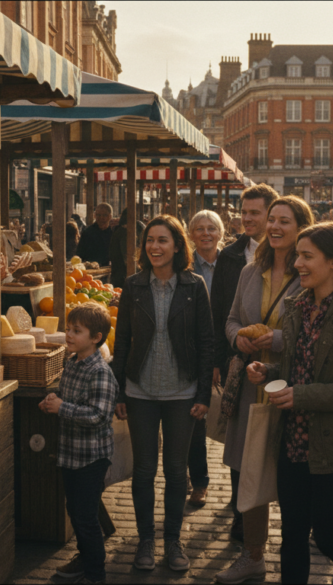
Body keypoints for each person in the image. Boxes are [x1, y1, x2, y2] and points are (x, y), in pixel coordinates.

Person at [246, 221, 333, 585]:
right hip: (293, 442)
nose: (298, 265)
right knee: (291, 536)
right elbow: (300, 367)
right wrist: (270, 370)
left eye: (308, 257)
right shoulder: (297, 308)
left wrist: (302, 395)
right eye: (297, 257)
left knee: (328, 537)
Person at [216, 196, 313, 584]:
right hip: (249, 390)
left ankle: (294, 555)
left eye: (284, 221)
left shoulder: (308, 271)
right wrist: (237, 337)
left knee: (289, 478)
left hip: (288, 389)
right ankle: (252, 553)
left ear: (300, 227)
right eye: (271, 219)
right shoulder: (250, 271)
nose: (274, 227)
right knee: (247, 474)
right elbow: (233, 318)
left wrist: (272, 339)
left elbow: (312, 333)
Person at [111, 215, 214, 573]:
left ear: (176, 245)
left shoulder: (194, 286)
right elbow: (122, 340)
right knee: (143, 471)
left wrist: (204, 392)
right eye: (150, 240)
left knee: (175, 470)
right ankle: (144, 540)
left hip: (182, 392)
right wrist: (118, 392)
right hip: (139, 390)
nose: (154, 246)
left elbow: (205, 342)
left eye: (162, 240)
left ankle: (173, 541)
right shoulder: (133, 285)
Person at [209, 183, 278, 541]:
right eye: (244, 211)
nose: (247, 218)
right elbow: (222, 308)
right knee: (240, 445)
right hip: (242, 362)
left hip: (282, 373)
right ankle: (242, 513)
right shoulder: (233, 256)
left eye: (255, 212)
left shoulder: (294, 258)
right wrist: (228, 348)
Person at [40, 304, 119, 585]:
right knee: (74, 510)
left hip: (91, 458)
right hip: (70, 454)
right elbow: (65, 395)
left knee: (85, 518)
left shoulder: (99, 372)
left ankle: (95, 574)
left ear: (95, 337)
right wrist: (52, 400)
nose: (68, 335)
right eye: (68, 329)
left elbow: (99, 416)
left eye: (76, 331)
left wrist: (62, 408)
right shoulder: (71, 363)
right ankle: (84, 558)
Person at [184, 210, 224, 507]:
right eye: (200, 229)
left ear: (220, 233)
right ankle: (199, 481)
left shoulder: (232, 262)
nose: (206, 233)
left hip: (225, 348)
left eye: (212, 228)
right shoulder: (184, 265)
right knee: (194, 421)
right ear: (191, 234)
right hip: (193, 350)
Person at [109, 208, 145, 288]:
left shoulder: (118, 231)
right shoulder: (125, 233)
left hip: (119, 276)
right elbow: (128, 258)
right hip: (123, 278)